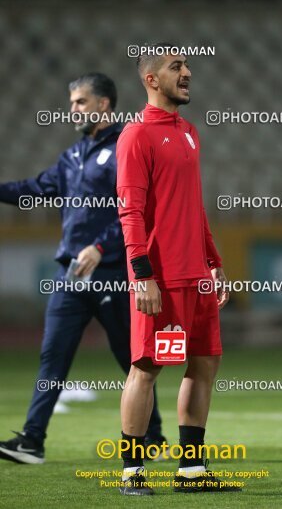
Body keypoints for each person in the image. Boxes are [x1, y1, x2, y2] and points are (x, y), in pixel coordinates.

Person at [0, 72, 166, 465]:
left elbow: (135, 208)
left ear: (104, 104)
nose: (72, 108)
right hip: (72, 275)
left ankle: (152, 438)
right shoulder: (73, 156)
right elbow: (35, 188)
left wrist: (101, 245)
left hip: (115, 274)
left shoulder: (128, 145)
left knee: (133, 361)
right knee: (52, 356)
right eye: (72, 101)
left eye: (80, 101)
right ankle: (32, 441)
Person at [116, 44, 240, 495]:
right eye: (176, 67)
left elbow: (194, 205)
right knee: (147, 367)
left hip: (196, 277)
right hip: (162, 279)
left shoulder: (188, 131)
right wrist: (142, 273)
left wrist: (214, 260)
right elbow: (130, 211)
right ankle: (132, 473)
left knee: (204, 363)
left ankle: (191, 471)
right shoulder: (136, 135)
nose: (187, 72)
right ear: (151, 79)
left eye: (186, 65)